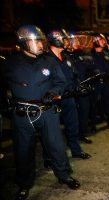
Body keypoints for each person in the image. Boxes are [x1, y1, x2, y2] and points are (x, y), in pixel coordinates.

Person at [1, 25, 80, 200]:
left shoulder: (48, 61)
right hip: (22, 114)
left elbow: (61, 82)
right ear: (23, 43)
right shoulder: (10, 63)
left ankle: (64, 175)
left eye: (40, 41)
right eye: (34, 41)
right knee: (23, 150)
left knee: (57, 146)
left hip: (47, 111)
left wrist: (54, 93)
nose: (39, 45)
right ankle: (24, 183)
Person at [46, 29, 92, 158]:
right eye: (64, 39)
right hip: (54, 99)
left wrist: (79, 87)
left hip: (68, 97)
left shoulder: (67, 57)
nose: (67, 42)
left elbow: (74, 76)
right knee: (51, 130)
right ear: (55, 40)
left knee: (72, 125)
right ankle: (49, 157)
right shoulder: (46, 59)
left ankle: (76, 150)